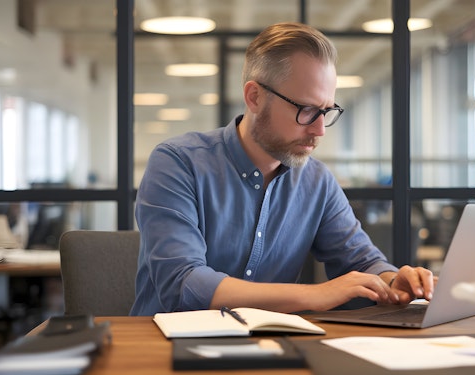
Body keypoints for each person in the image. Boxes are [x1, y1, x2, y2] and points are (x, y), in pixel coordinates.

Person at [130, 22, 434, 315]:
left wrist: (393, 282)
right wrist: (316, 294)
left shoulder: (317, 182)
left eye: (326, 111)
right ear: (255, 97)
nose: (320, 130)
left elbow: (361, 260)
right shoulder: (177, 163)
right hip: (166, 349)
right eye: (307, 110)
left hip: (274, 347)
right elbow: (183, 285)